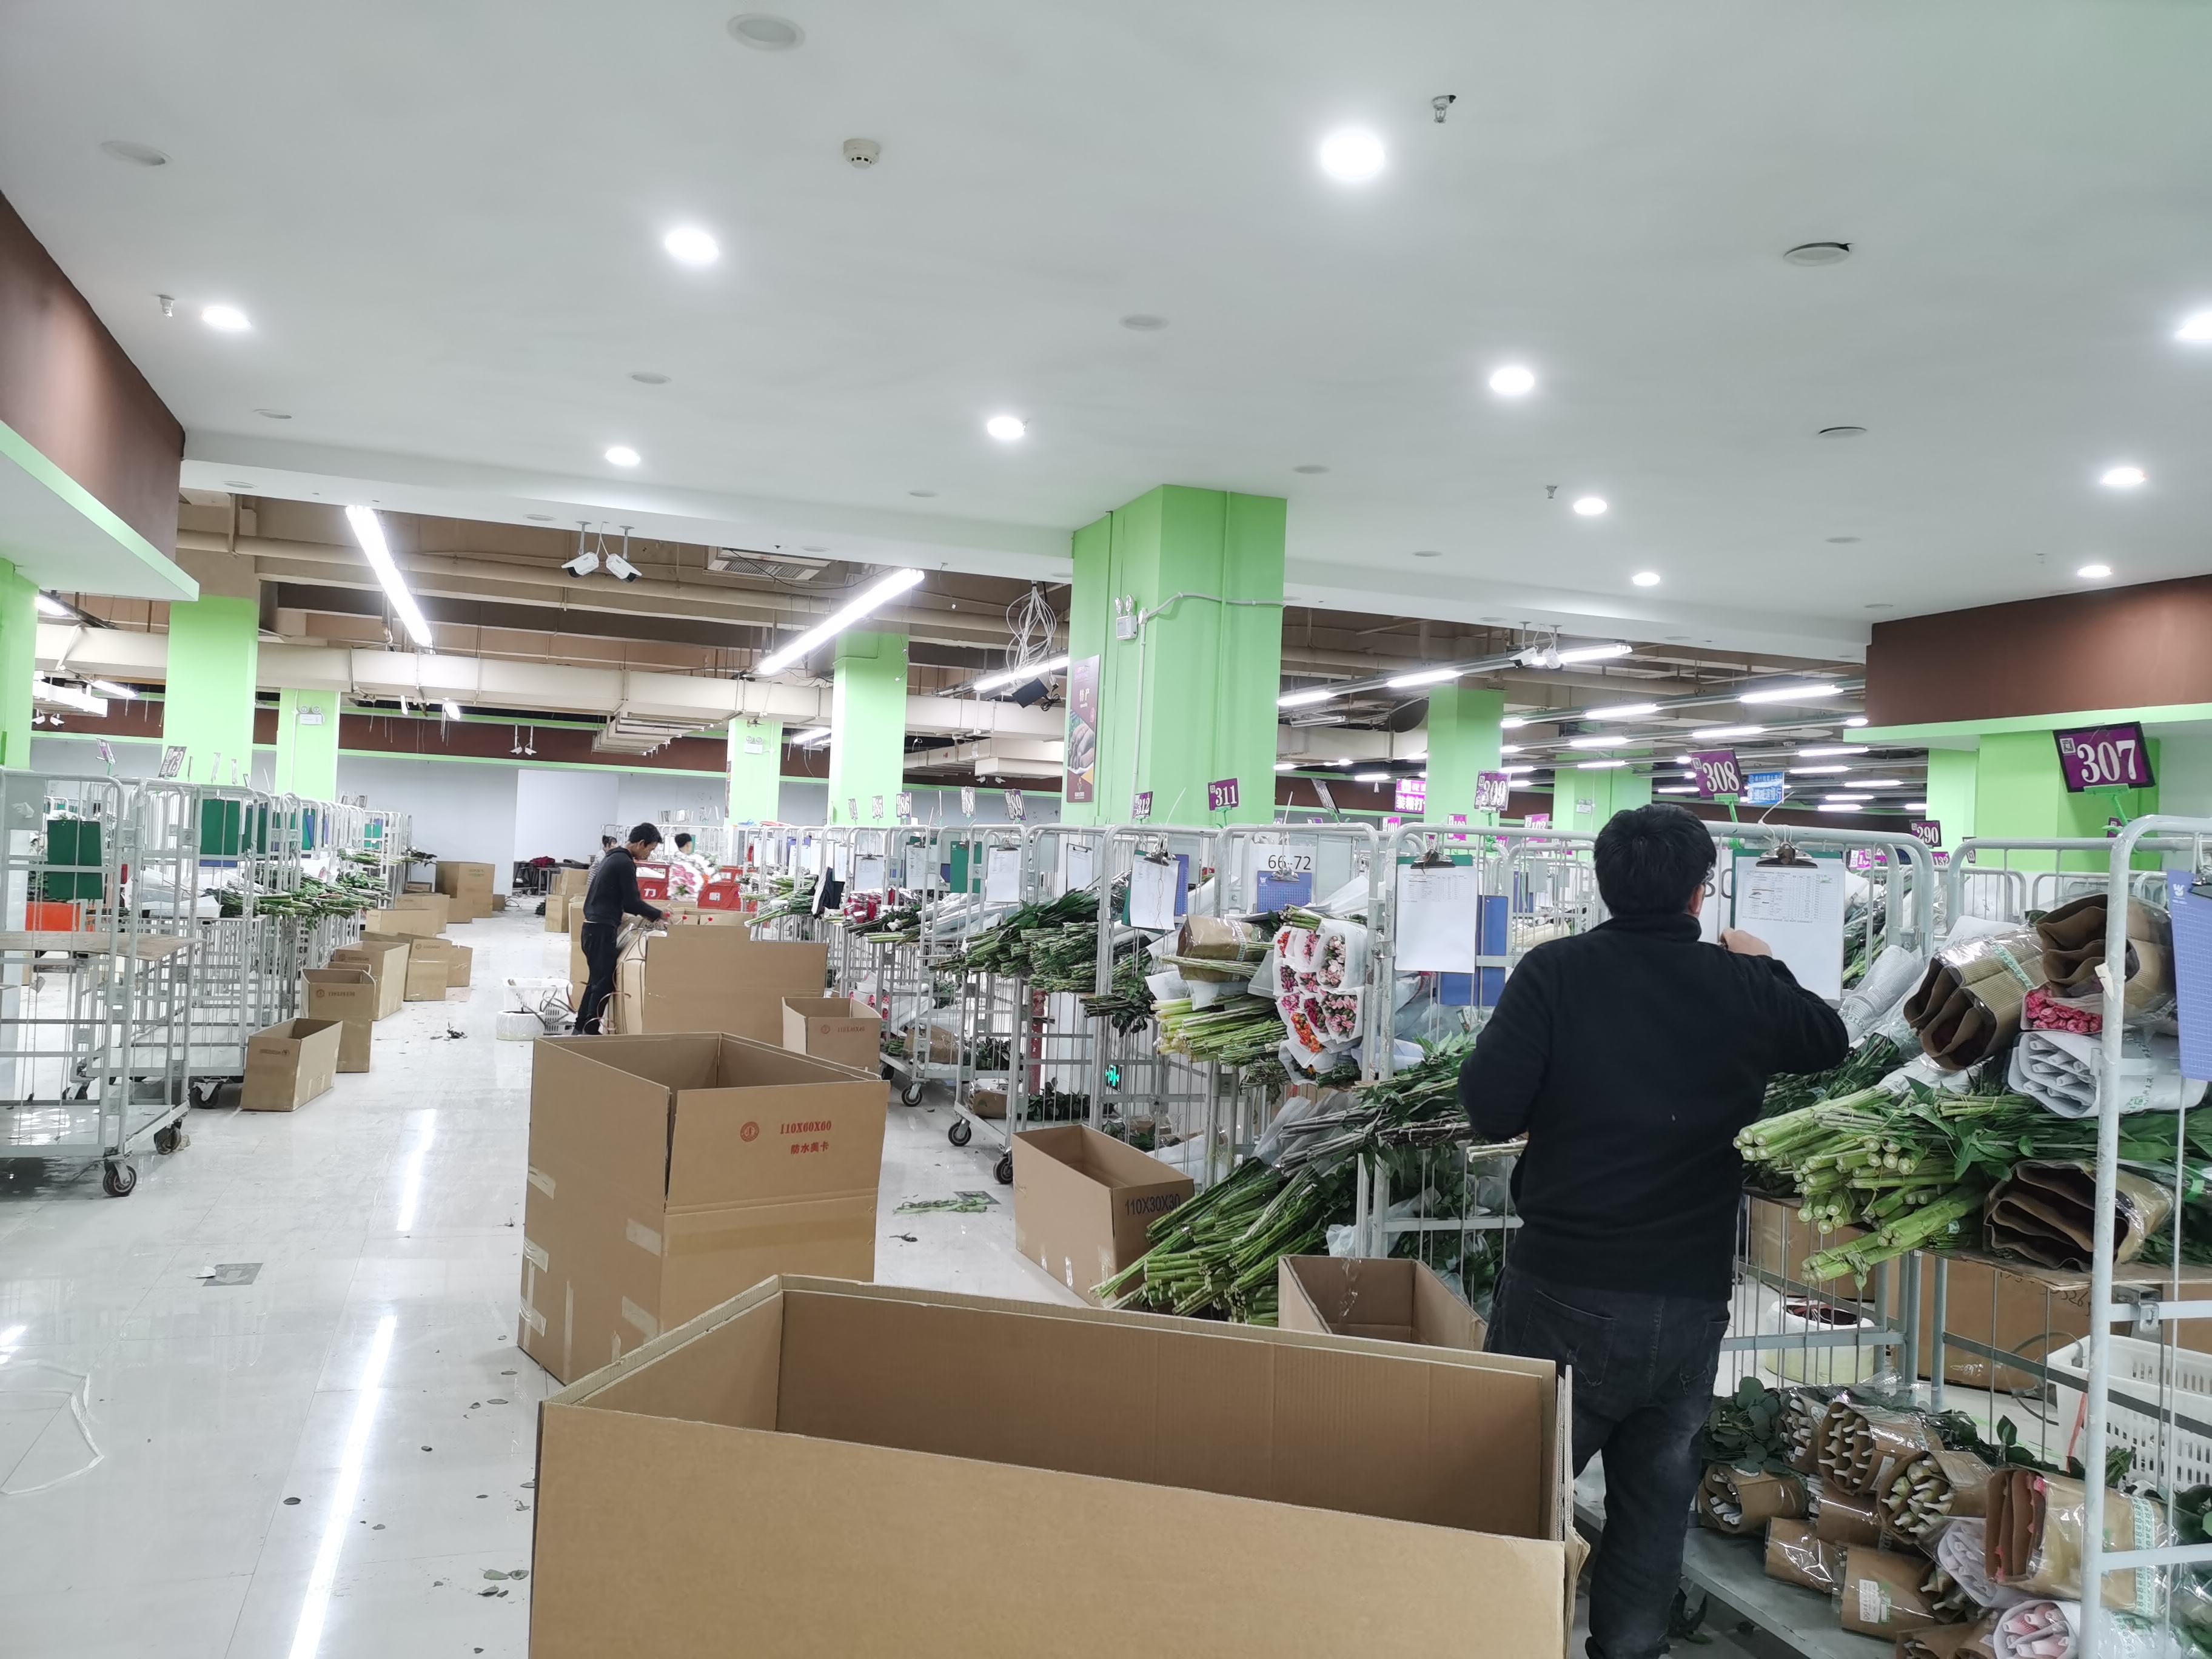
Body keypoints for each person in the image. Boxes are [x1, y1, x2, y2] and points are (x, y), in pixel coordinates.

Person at [1459, 803, 1846, 1659]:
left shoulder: (1557, 972)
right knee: (1654, 1501)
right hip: (1688, 1294)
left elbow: (1490, 1107)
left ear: (1603, 885)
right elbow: (1829, 1040)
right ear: (1702, 892)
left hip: (1564, 1283)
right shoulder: (1740, 984)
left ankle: (1487, 1633)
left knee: (1514, 1489)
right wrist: (1764, 963)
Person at [577, 822, 665, 1034]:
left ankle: (582, 1026)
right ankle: (590, 1030)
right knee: (603, 982)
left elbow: (624, 902)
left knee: (596, 980)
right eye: (650, 849)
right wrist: (658, 915)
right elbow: (632, 903)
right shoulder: (624, 863)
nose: (649, 855)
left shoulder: (612, 857)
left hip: (592, 928)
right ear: (641, 843)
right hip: (601, 929)